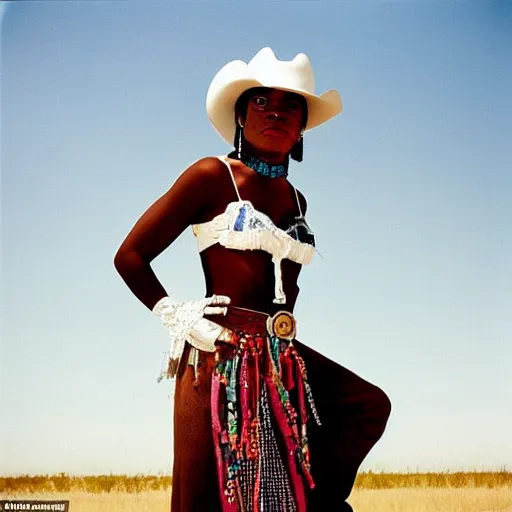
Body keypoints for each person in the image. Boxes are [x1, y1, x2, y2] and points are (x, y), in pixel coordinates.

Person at [114, 47, 391, 512]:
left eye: (291, 104)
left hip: (280, 358)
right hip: (216, 352)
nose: (276, 112)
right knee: (206, 493)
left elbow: (288, 293)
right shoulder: (211, 176)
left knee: (366, 406)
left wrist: (278, 351)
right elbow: (131, 256)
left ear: (302, 126)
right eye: (261, 101)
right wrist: (180, 318)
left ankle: (315, 501)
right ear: (241, 115)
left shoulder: (298, 201)